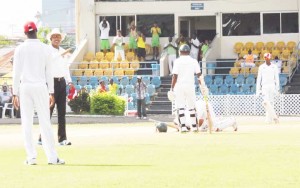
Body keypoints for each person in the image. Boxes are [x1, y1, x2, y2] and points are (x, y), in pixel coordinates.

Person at [12, 21, 64, 165]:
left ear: (25, 33)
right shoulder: (45, 48)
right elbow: (49, 72)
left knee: (27, 123)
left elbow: (16, 73)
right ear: (36, 31)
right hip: (41, 86)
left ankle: (31, 157)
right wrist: (51, 92)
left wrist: (14, 93)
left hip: (25, 87)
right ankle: (52, 158)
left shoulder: (20, 49)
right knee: (45, 122)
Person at [38, 28, 73, 146]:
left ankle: (62, 139)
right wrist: (60, 54)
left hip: (61, 82)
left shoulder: (63, 51)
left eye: (59, 37)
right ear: (51, 38)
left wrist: (69, 81)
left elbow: (65, 68)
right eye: (55, 37)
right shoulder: (47, 50)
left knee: (62, 113)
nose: (57, 39)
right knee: (48, 111)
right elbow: (49, 62)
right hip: (50, 83)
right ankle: (42, 138)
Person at [171, 44, 201, 132]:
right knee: (191, 107)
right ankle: (194, 127)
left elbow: (174, 76)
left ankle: (183, 127)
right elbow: (199, 75)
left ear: (180, 52)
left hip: (179, 86)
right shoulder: (194, 61)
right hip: (190, 86)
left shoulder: (177, 61)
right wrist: (202, 86)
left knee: (180, 107)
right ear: (189, 52)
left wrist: (172, 88)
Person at [256, 53, 280, 124]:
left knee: (272, 102)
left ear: (270, 58)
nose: (267, 59)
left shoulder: (274, 67)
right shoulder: (261, 67)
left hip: (272, 86)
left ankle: (272, 118)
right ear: (264, 58)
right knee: (266, 102)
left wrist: (277, 88)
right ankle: (269, 118)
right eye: (266, 58)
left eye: (268, 58)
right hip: (264, 86)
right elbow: (259, 79)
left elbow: (276, 78)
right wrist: (258, 90)